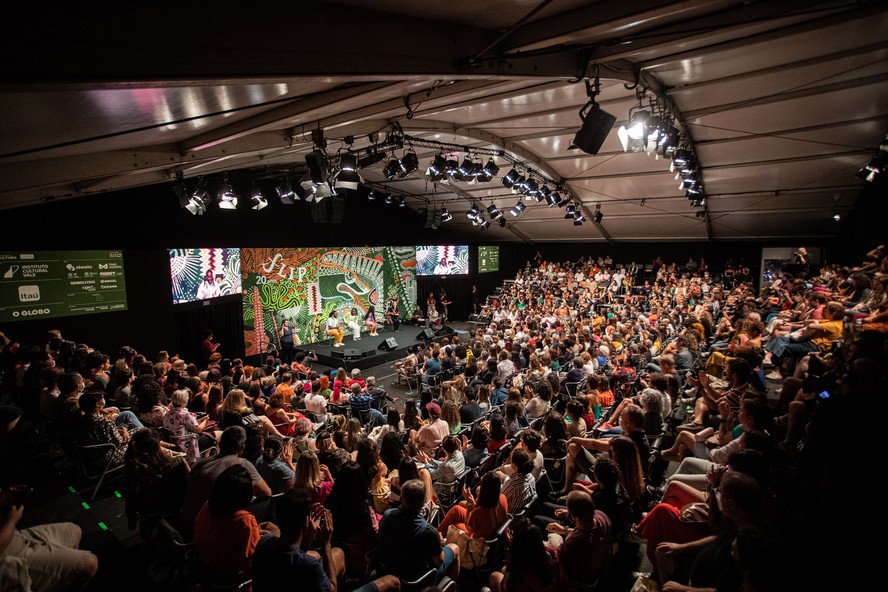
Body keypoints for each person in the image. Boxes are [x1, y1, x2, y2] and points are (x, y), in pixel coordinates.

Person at [0, 486, 99, 591]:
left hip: (16, 535)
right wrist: (11, 520)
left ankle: (55, 575)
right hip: (7, 557)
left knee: (74, 531)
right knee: (90, 564)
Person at [183, 426, 271, 536]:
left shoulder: (199, 463)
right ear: (242, 448)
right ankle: (252, 531)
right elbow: (267, 493)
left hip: (188, 522)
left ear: (219, 444)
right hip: (211, 530)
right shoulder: (241, 464)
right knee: (267, 501)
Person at [377, 479, 460, 582]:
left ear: (401, 499)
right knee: (455, 548)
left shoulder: (387, 515)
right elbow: (438, 561)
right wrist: (437, 541)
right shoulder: (429, 532)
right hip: (416, 580)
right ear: (423, 503)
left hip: (388, 571)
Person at [193, 464, 261, 587]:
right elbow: (251, 560)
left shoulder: (208, 505)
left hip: (203, 566)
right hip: (229, 579)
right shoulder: (244, 521)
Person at [542, 490, 612, 586]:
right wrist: (564, 530)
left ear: (573, 516)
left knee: (550, 535)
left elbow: (554, 556)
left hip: (578, 575)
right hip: (597, 564)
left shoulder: (575, 542)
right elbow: (586, 531)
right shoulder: (602, 516)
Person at [437, 472, 509, 540]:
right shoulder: (503, 498)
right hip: (492, 529)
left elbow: (469, 528)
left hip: (479, 540)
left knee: (454, 524)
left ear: (484, 490)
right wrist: (472, 502)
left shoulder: (481, 511)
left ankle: (436, 538)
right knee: (456, 509)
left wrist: (469, 504)